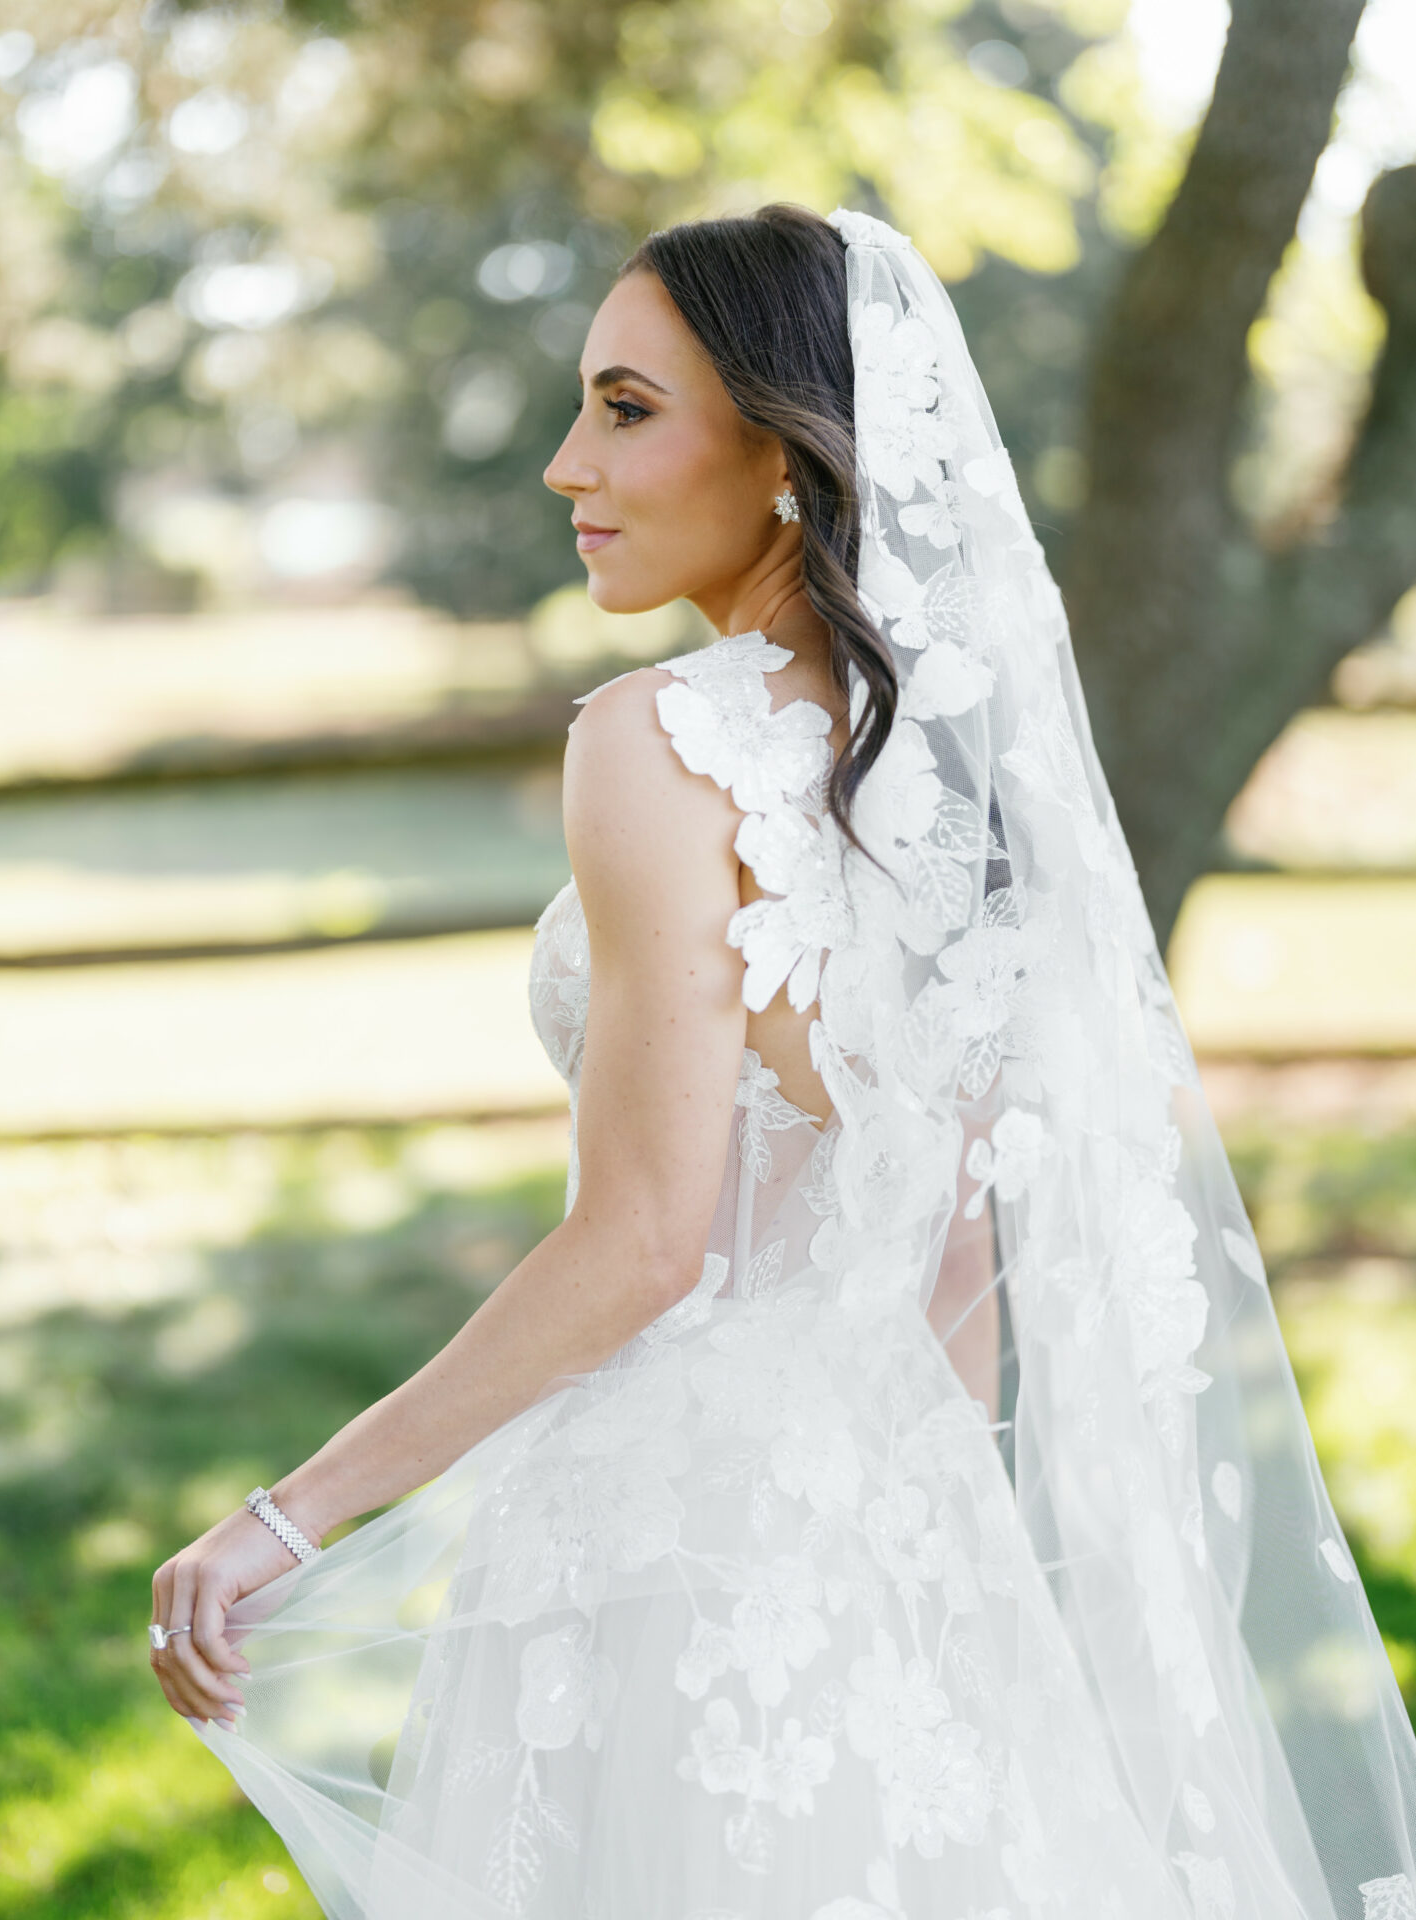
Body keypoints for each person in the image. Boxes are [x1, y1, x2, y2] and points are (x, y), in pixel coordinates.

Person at [148, 203, 1416, 1920]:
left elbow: (643, 1238)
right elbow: (955, 1247)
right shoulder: (950, 787)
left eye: (624, 408)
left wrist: (287, 1522)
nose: (564, 463)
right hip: (904, 1537)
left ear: (783, 453)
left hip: (671, 1560)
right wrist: (948, 1576)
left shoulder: (657, 738)